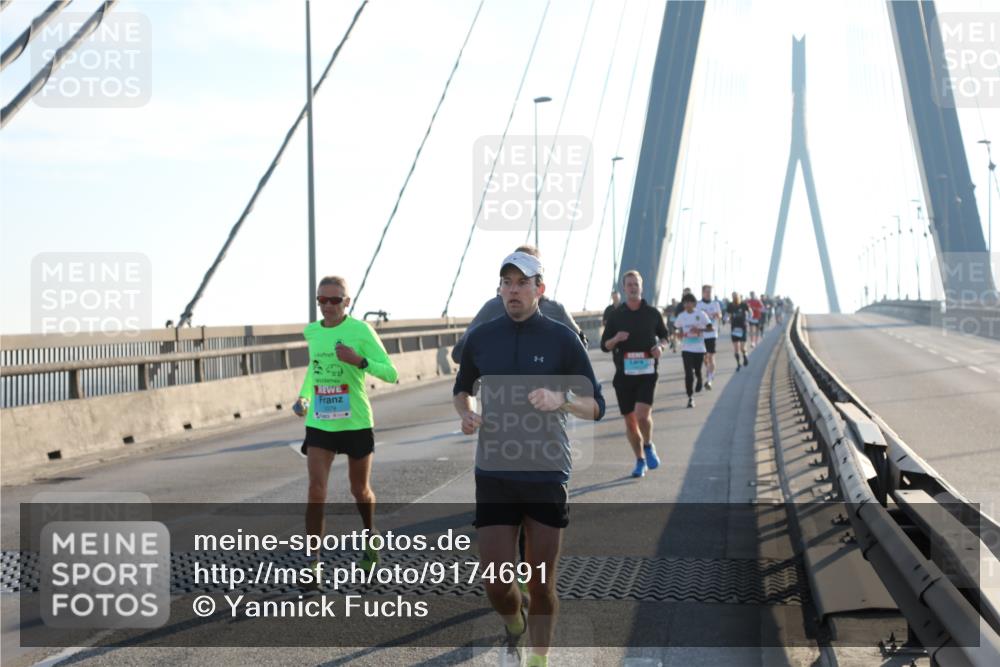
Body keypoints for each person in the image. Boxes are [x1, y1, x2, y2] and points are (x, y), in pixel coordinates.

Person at [453, 251, 605, 667]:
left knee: (541, 584)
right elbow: (462, 386)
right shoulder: (482, 338)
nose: (513, 290)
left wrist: (563, 399)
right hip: (495, 471)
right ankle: (514, 624)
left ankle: (538, 659)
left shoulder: (562, 338)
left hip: (545, 470)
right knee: (496, 584)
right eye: (507, 282)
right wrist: (466, 412)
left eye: (522, 282)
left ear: (541, 288)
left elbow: (597, 405)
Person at [293, 276, 399, 588]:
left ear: (347, 302)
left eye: (334, 300)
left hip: (355, 422)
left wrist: (359, 360)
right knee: (316, 491)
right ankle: (313, 563)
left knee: (359, 491)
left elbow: (391, 373)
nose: (327, 306)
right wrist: (304, 397)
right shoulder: (312, 332)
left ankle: (370, 537)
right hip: (321, 421)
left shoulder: (361, 331)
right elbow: (315, 371)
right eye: (321, 301)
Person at [451, 245, 585, 364]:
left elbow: (580, 351)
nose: (515, 289)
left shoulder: (556, 310)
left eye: (524, 280)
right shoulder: (492, 308)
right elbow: (459, 353)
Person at [600, 270, 670, 478]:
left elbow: (665, 337)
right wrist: (616, 339)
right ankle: (640, 460)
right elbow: (605, 345)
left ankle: (648, 445)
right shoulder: (616, 315)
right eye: (629, 284)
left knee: (642, 415)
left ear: (641, 287)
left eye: (635, 284)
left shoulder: (652, 313)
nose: (632, 287)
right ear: (624, 288)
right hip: (624, 375)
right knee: (630, 422)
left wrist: (661, 347)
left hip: (647, 371)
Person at [674, 292, 713, 408]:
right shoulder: (681, 316)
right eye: (685, 302)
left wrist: (700, 330)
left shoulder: (701, 314)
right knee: (688, 374)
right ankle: (690, 397)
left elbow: (711, 328)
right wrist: (678, 334)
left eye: (689, 302)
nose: (687, 305)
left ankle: (700, 379)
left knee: (697, 371)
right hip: (686, 349)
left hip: (699, 349)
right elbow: (675, 329)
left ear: (694, 303)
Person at [694, 284, 723, 390]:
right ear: (702, 293)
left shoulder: (715, 304)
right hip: (701, 334)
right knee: (704, 358)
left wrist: (717, 315)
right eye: (706, 292)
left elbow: (720, 315)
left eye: (710, 292)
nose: (708, 294)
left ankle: (710, 379)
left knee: (711, 357)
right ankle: (709, 371)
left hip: (711, 334)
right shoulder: (698, 304)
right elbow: (695, 317)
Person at [727, 292, 750, 370]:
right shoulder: (730, 305)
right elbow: (729, 315)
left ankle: (745, 356)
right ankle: (738, 364)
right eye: (733, 297)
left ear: (739, 297)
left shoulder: (743, 304)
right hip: (734, 328)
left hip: (742, 327)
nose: (734, 298)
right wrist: (728, 320)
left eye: (736, 297)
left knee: (743, 347)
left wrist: (748, 320)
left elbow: (750, 312)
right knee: (736, 348)